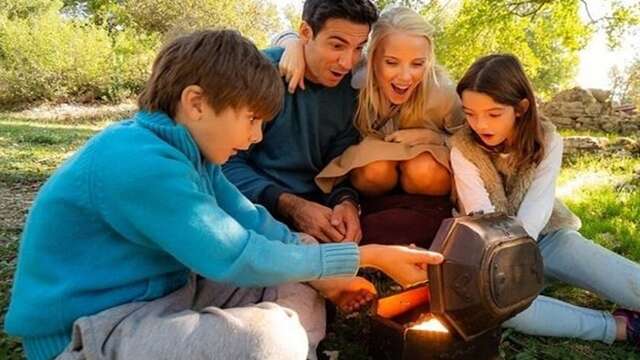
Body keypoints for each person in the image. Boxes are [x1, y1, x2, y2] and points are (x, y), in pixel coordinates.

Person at [3, 30, 445, 360]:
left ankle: (290, 339)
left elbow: (253, 221)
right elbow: (236, 256)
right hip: (92, 330)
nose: (255, 138)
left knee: (300, 260)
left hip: (168, 296)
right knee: (271, 339)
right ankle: (288, 342)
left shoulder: (193, 156)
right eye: (251, 119)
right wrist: (362, 256)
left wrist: (319, 270)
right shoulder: (136, 161)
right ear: (196, 103)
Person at [451, 53, 640, 348]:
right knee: (502, 311)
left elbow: (538, 207)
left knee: (633, 286)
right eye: (470, 113)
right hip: (492, 255)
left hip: (550, 238)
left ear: (521, 108)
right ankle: (619, 327)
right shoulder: (462, 148)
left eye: (493, 113)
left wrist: (523, 257)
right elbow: (481, 215)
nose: (479, 124)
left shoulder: (548, 139)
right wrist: (504, 271)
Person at [273, 6, 465, 247]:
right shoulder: (354, 75)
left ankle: (422, 220)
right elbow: (301, 37)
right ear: (373, 57)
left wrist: (434, 138)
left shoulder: (443, 93)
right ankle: (380, 216)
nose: (405, 77)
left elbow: (470, 140)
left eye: (417, 64)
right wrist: (292, 45)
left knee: (422, 168)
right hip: (375, 170)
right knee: (374, 169)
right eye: (392, 62)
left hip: (427, 172)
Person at [223, 0, 379, 244]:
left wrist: (346, 202)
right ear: (306, 33)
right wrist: (291, 206)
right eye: (337, 45)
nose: (348, 62)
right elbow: (224, 165)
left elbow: (337, 167)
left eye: (359, 48)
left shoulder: (353, 91)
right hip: (251, 207)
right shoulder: (259, 76)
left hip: (318, 214)